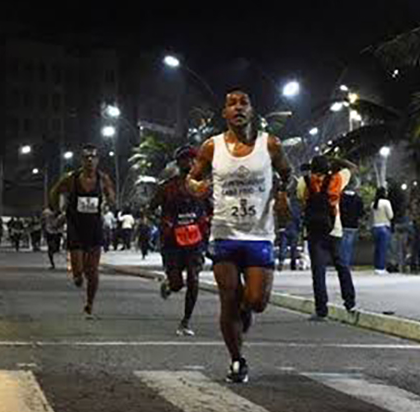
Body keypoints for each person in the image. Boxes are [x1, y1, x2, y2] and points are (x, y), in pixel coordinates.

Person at [187, 90, 292, 383]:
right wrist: (194, 187)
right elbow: (192, 178)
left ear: (252, 110)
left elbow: (287, 173)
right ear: (224, 113)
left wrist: (283, 194)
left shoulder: (270, 144)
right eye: (231, 104)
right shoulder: (211, 147)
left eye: (243, 103)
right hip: (224, 234)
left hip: (259, 235)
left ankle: (247, 308)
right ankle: (237, 360)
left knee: (256, 301)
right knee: (227, 299)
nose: (237, 108)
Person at [49, 144, 116, 317]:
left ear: (97, 160)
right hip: (76, 226)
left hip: (94, 227)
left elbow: (111, 196)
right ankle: (77, 277)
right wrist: (56, 209)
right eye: (86, 157)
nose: (89, 160)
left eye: (93, 157)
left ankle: (90, 303)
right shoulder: (71, 179)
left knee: (92, 270)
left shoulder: (103, 179)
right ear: (81, 160)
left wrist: (109, 202)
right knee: (79, 271)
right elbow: (54, 192)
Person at [151, 146, 212, 336]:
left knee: (194, 278)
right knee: (178, 284)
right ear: (178, 163)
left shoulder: (204, 187)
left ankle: (186, 321)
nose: (190, 163)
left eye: (194, 159)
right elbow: (151, 209)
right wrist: (164, 223)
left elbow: (213, 209)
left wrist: (206, 222)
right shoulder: (167, 187)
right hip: (172, 241)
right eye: (186, 159)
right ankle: (169, 284)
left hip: (195, 240)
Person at [297, 155, 357, 321]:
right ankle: (349, 300)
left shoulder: (304, 182)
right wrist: (336, 160)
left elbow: (301, 199)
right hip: (333, 229)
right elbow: (352, 168)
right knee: (341, 265)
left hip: (314, 231)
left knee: (318, 271)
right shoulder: (337, 179)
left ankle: (321, 310)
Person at [338, 181, 364, 268]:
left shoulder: (340, 198)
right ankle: (347, 263)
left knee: (342, 244)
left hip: (342, 223)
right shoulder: (358, 199)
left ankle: (342, 262)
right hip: (353, 224)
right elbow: (361, 212)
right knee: (349, 244)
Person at [371, 187, 394, 274]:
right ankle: (381, 267)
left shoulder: (373, 203)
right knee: (383, 249)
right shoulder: (386, 202)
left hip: (375, 227)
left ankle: (377, 266)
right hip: (384, 227)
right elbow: (391, 215)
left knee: (377, 248)